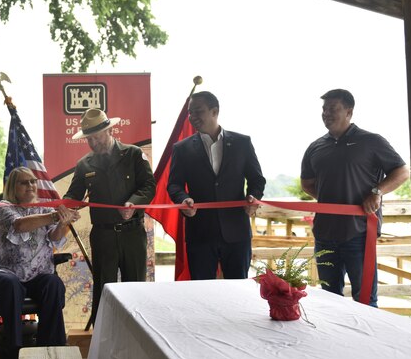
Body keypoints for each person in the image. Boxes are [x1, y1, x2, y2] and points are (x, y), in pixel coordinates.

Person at [301, 88, 409, 306]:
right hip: (325, 234)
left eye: (333, 109)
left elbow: (402, 171)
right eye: (324, 109)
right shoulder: (315, 147)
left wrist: (377, 192)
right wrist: (331, 201)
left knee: (365, 298)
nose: (326, 113)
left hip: (359, 233)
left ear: (349, 112)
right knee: (329, 299)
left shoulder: (371, 141)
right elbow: (307, 184)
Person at [0, 167, 80, 359]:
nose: (31, 186)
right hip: (4, 272)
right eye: (24, 182)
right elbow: (19, 226)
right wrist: (54, 216)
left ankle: (52, 352)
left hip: (36, 276)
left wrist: (64, 222)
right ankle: (14, 353)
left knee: (53, 283)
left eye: (33, 181)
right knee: (11, 284)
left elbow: (54, 238)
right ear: (12, 187)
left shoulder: (44, 209)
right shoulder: (4, 207)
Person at [63, 108, 156, 324]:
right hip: (103, 236)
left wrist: (134, 203)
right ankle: (102, 336)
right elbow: (73, 195)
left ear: (109, 130)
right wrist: (65, 206)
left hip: (132, 232)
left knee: (136, 290)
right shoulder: (84, 164)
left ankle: (138, 334)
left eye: (96, 137)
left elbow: (149, 186)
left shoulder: (133, 154)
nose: (93, 142)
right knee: (104, 290)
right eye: (89, 139)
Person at [167, 91, 266, 280]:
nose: (192, 117)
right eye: (190, 113)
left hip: (237, 231)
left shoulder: (242, 143)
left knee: (238, 290)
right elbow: (174, 185)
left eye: (198, 112)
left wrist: (253, 197)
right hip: (200, 232)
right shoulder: (182, 148)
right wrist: (183, 199)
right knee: (202, 292)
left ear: (215, 111)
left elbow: (257, 180)